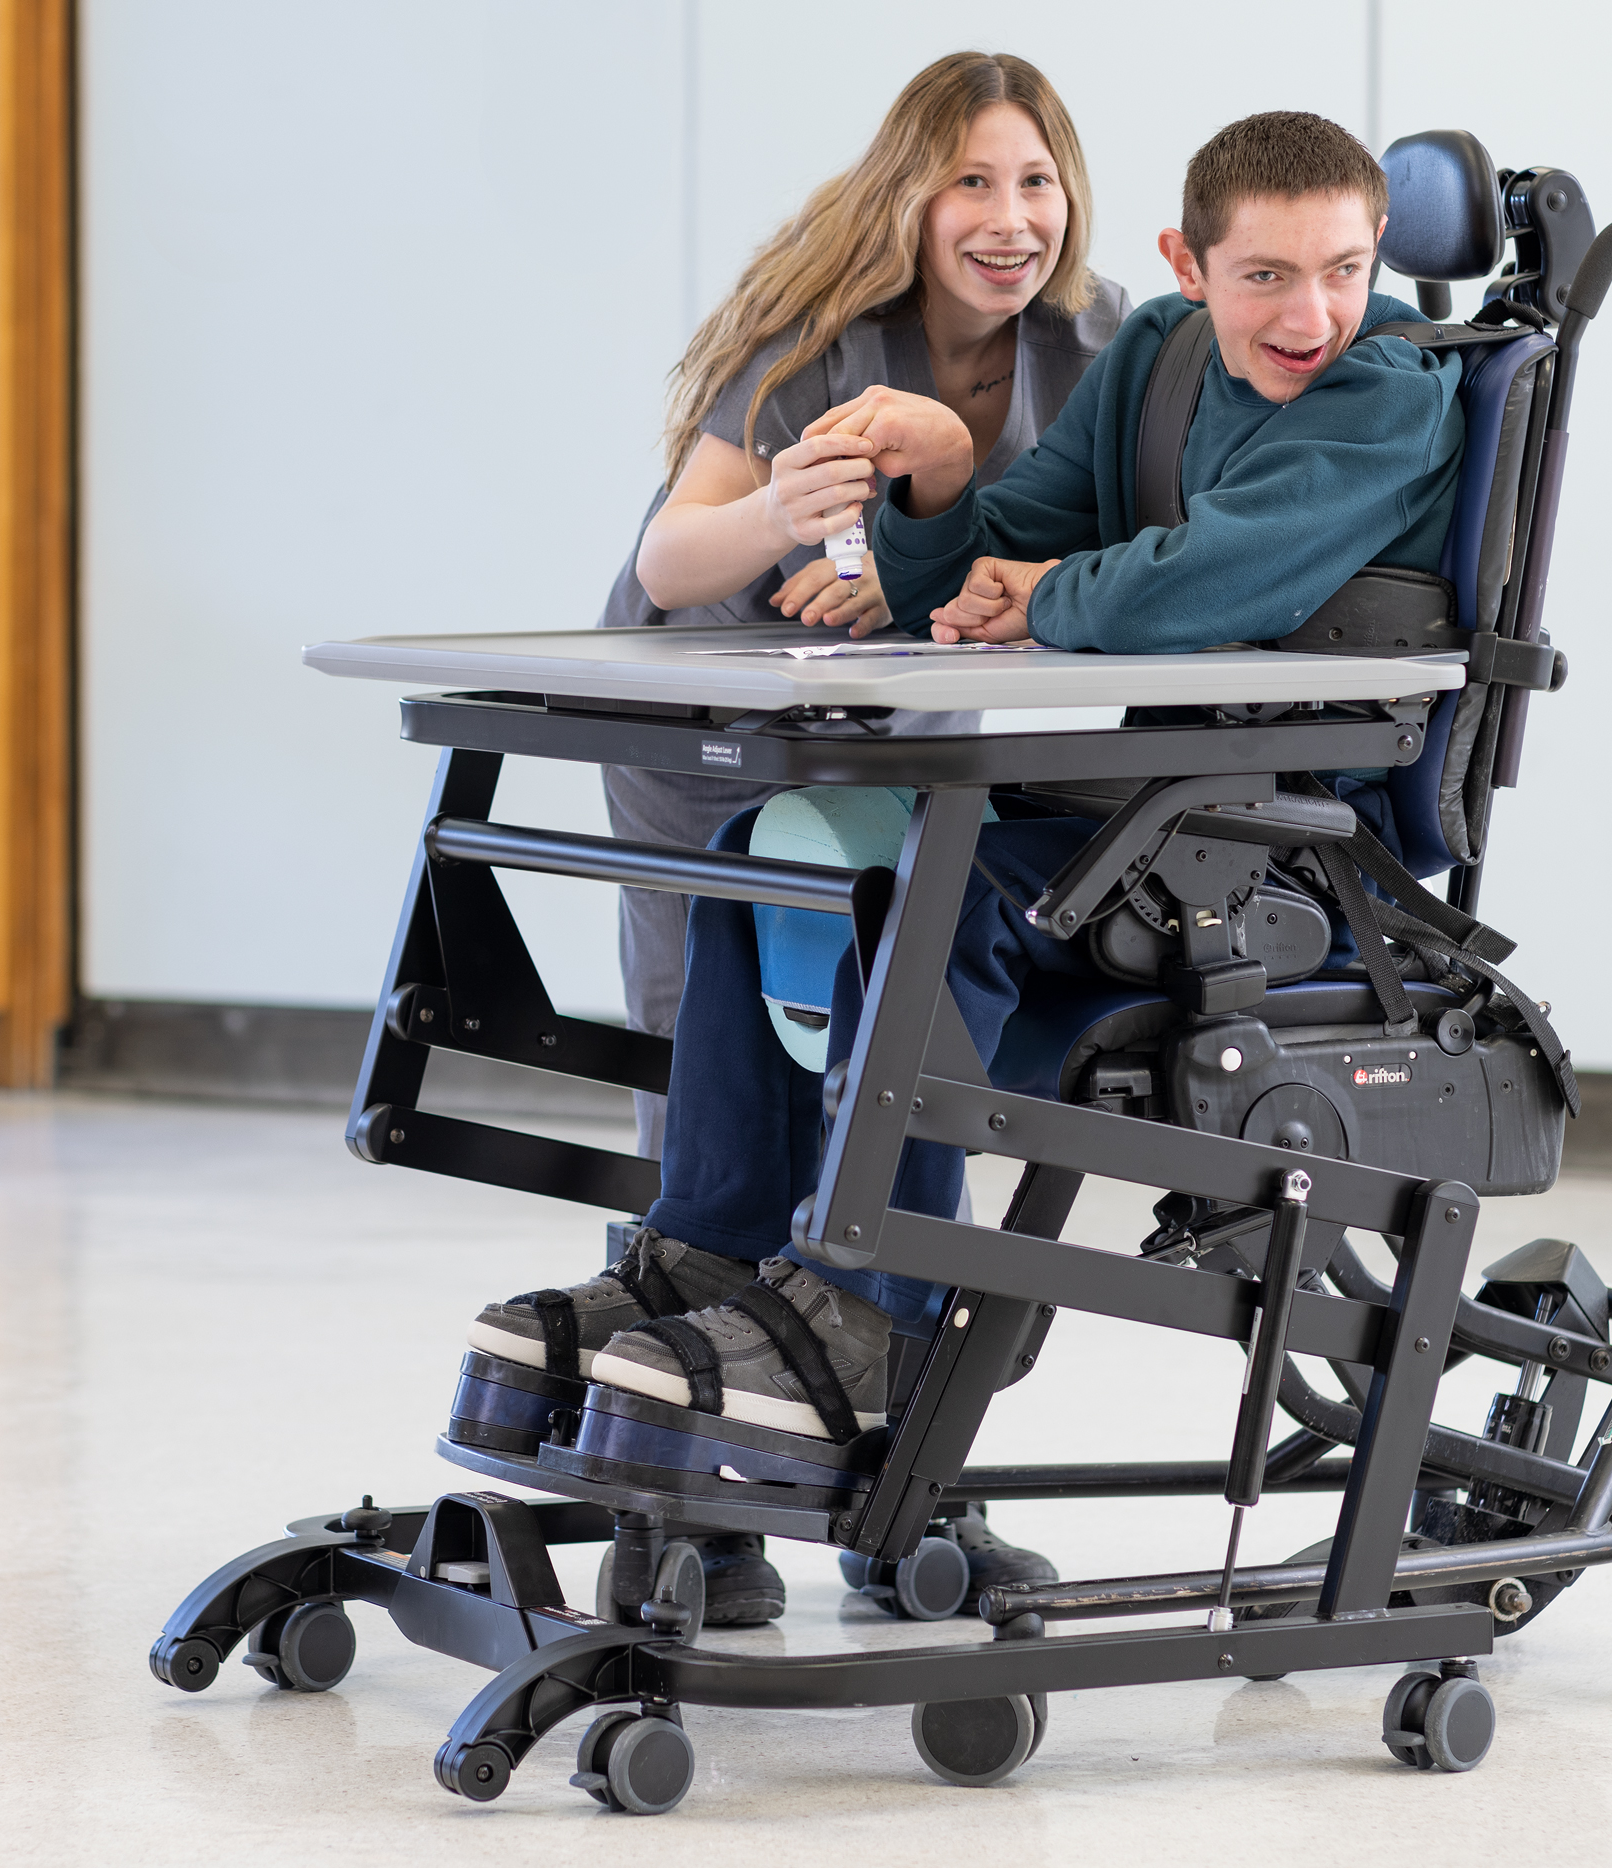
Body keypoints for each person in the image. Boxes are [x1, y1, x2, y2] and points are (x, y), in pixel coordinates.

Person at [476, 111, 1463, 1599]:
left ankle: (868, 1311)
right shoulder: (1157, 360)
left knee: (949, 886)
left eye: (1342, 268)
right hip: (1152, 823)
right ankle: (712, 1259)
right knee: (787, 852)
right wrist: (942, 498)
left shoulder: (1395, 389)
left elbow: (1214, 575)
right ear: (1184, 266)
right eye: (1265, 275)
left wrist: (1054, 590)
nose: (1308, 313)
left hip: (1290, 865)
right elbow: (1000, 539)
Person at [599, 51, 1128, 1166]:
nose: (1010, 219)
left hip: (904, 701)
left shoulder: (1094, 342)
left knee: (904, 1020)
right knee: (700, 1027)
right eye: (969, 184)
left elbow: (1120, 527)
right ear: (909, 199)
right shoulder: (818, 331)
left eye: (1035, 181)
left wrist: (923, 558)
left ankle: (883, 1301)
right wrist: (777, 509)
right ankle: (678, 1273)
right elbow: (669, 559)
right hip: (710, 712)